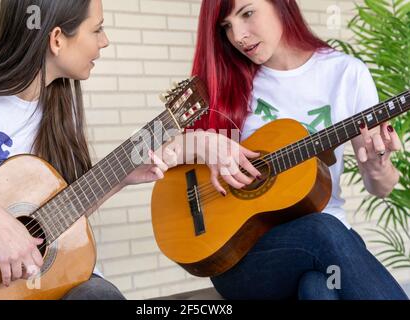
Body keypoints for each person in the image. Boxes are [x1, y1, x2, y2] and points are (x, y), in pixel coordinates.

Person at [164, 0, 408, 300]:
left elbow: (380, 188)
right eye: (226, 26)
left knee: (318, 288)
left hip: (327, 243)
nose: (238, 35)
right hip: (246, 256)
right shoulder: (228, 80)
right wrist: (202, 142)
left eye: (247, 13)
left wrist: (377, 167)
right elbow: (147, 153)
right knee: (324, 231)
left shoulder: (346, 74)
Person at [0, 0, 172, 300]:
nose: (104, 40)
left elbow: (56, 219)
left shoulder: (60, 110)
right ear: (57, 39)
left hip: (47, 285)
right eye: (97, 29)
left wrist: (119, 178)